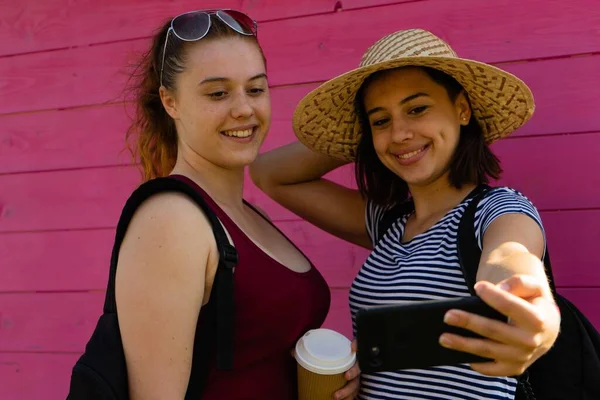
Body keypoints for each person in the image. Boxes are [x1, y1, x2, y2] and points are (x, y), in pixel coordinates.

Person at [250, 29, 561, 399]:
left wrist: (534, 312)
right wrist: (363, 138)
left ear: (462, 109)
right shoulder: (386, 223)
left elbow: (511, 259)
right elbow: (268, 173)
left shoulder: (496, 210)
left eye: (417, 109)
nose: (399, 133)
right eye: (381, 120)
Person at [118, 9, 359, 400]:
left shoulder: (249, 215)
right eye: (218, 93)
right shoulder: (172, 219)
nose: (244, 109)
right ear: (170, 101)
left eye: (256, 89)